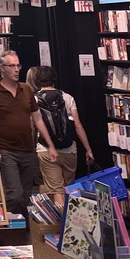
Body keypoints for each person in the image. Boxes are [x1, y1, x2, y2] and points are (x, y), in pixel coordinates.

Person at [0, 50, 58, 217]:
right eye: (12, 66)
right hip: (5, 150)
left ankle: (24, 233)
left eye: (18, 65)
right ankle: (12, 227)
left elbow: (37, 119)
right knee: (14, 195)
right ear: (2, 68)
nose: (16, 69)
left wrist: (50, 145)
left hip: (27, 149)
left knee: (25, 196)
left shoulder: (26, 89)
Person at [26, 64, 94, 207]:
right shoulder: (67, 97)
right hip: (69, 150)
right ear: (54, 79)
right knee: (68, 190)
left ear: (37, 80)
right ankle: (71, 223)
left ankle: (61, 226)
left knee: (56, 192)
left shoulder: (34, 99)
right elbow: (78, 125)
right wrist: (88, 149)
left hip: (46, 151)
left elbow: (32, 126)